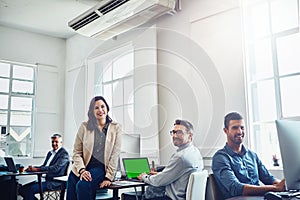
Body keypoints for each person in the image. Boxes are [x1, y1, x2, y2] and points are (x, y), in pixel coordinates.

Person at [122, 119, 203, 200]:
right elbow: (173, 175)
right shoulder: (195, 152)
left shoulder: (181, 157)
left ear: (190, 136)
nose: (174, 136)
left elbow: (159, 181)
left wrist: (144, 177)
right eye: (173, 132)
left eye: (179, 132)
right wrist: (159, 174)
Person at [212, 112, 286, 199]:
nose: (240, 132)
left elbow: (269, 179)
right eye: (235, 128)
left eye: (242, 128)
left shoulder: (252, 155)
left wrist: (284, 185)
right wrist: (275, 189)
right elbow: (236, 188)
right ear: (226, 131)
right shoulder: (220, 158)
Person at [66, 96, 122, 200]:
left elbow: (115, 155)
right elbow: (77, 152)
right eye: (96, 108)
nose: (100, 110)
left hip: (99, 168)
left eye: (102, 106)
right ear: (92, 111)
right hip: (80, 167)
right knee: (71, 193)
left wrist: (108, 177)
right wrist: (82, 170)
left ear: (107, 108)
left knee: (82, 185)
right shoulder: (84, 127)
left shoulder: (116, 128)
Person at [19, 133, 69, 200]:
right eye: (52, 142)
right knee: (22, 189)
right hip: (43, 180)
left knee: (29, 190)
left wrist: (37, 169)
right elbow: (44, 166)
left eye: (56, 142)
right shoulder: (50, 153)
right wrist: (33, 168)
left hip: (54, 182)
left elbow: (55, 169)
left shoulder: (64, 154)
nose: (54, 143)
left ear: (61, 143)